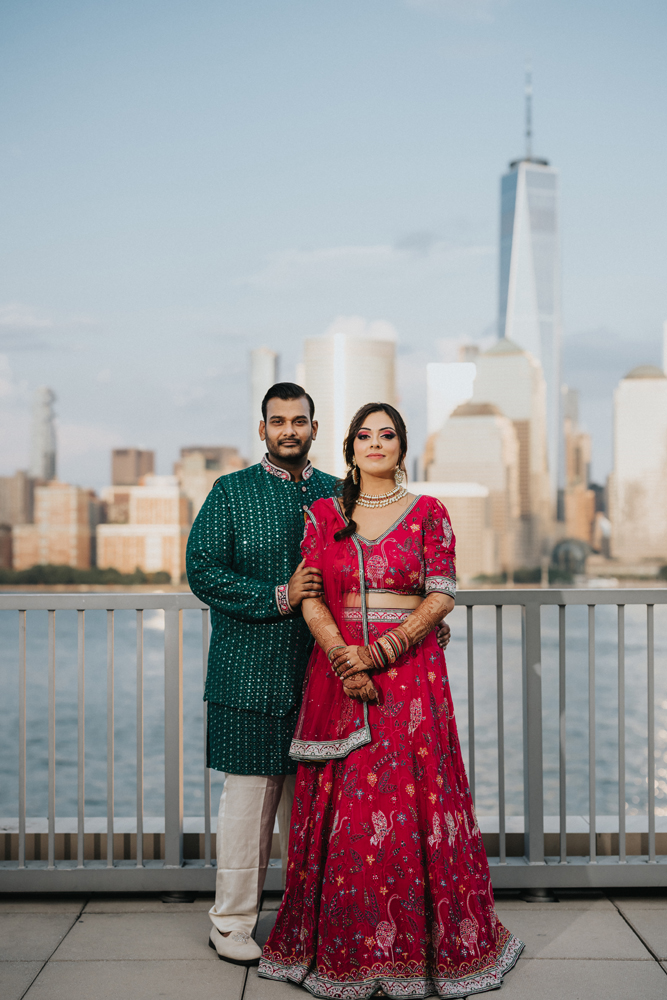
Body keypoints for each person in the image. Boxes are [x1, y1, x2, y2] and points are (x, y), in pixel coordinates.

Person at [259, 402, 524, 998]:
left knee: (415, 807)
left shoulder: (430, 512)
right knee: (349, 815)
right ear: (349, 447)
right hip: (338, 678)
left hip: (410, 681)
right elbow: (311, 596)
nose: (375, 443)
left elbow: (441, 595)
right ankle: (346, 950)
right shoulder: (322, 514)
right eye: (364, 435)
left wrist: (380, 653)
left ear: (402, 448)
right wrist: (342, 658)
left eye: (388, 435)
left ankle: (428, 951)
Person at [186, 381, 455, 966]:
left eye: (299, 421)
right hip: (251, 674)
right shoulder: (230, 492)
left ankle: (306, 920)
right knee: (248, 807)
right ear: (262, 429)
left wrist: (420, 624)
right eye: (277, 421)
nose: (288, 430)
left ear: (314, 429)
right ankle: (230, 923)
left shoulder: (342, 495)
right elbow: (202, 571)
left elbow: (389, 573)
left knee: (319, 811)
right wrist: (280, 594)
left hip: (329, 679)